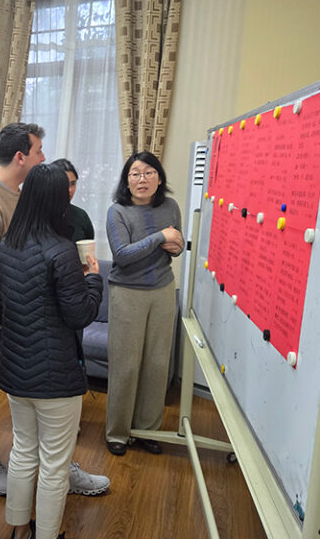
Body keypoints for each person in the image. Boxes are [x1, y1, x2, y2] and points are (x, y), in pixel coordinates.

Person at [0, 122, 107, 498]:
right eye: (39, 151)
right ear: (21, 156)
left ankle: (58, 466)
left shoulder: (22, 196)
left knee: (41, 397)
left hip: (25, 318)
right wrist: (43, 279)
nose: (42, 157)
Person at [0, 164, 103, 539]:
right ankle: (47, 535)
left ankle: (20, 531)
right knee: (54, 464)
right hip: (58, 377)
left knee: (22, 451)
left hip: (17, 372)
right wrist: (94, 279)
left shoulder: (6, 248)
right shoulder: (62, 251)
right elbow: (79, 314)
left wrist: (24, 326)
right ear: (57, 202)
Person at [105, 151, 184, 456]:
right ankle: (119, 432)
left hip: (163, 289)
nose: (142, 179)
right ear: (127, 181)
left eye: (149, 172)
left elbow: (176, 247)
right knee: (126, 365)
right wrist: (160, 237)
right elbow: (122, 255)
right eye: (135, 174)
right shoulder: (118, 212)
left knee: (157, 363)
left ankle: (148, 429)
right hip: (127, 292)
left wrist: (173, 243)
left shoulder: (171, 206)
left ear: (159, 178)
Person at [49, 159, 94, 242]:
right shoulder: (39, 216)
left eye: (73, 184)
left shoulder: (81, 216)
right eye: (64, 184)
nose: (69, 190)